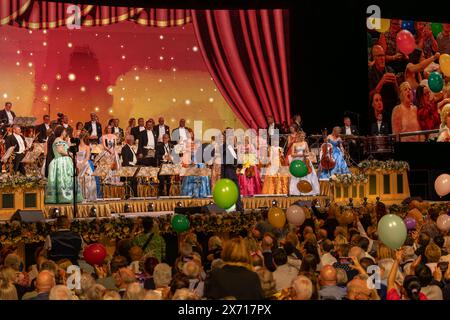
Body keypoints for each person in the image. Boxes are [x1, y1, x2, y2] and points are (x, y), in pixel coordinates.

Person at [45, 125, 83, 204]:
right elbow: (60, 150)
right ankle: (64, 197)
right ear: (62, 132)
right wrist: (70, 154)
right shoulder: (58, 139)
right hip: (61, 161)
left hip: (65, 161)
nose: (66, 132)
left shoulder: (62, 140)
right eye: (65, 131)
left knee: (68, 179)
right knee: (62, 179)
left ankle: (69, 196)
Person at [368, 45, 399, 127]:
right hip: (378, 109)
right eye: (379, 56)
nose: (382, 58)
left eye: (383, 55)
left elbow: (398, 94)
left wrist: (395, 83)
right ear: (374, 58)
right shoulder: (370, 73)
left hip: (392, 106)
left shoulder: (390, 70)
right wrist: (381, 82)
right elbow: (370, 97)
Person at [288, 131, 320, 195]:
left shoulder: (305, 143)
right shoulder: (294, 144)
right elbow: (292, 154)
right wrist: (301, 155)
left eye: (304, 136)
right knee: (297, 175)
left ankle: (308, 190)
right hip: (297, 160)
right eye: (302, 136)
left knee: (308, 174)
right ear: (298, 136)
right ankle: (296, 191)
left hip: (305, 160)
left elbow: (308, 152)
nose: (303, 137)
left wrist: (305, 155)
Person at [180, 134, 211, 198]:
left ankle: (201, 194)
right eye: (191, 144)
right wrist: (190, 164)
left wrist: (199, 164)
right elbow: (184, 163)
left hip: (199, 170)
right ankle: (190, 195)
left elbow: (205, 162)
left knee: (203, 175)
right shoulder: (188, 152)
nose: (193, 145)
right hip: (190, 171)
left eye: (195, 144)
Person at [220, 129, 243, 212]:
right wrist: (236, 164)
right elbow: (226, 161)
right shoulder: (224, 147)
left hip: (232, 173)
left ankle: (239, 209)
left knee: (236, 192)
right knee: (230, 192)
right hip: (227, 173)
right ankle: (230, 209)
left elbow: (236, 160)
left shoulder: (232, 148)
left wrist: (240, 164)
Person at [76, 133, 100, 202]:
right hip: (77, 163)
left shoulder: (87, 147)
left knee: (87, 180)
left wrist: (82, 163)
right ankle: (80, 196)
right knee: (78, 180)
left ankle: (88, 196)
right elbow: (75, 156)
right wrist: (77, 163)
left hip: (85, 164)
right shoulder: (76, 146)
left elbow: (87, 157)